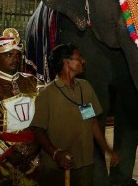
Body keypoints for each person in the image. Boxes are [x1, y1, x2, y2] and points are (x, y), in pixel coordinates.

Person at [30, 43, 119, 185]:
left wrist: (107, 149)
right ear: (67, 62)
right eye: (79, 58)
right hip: (57, 168)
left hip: (85, 164)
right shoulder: (47, 94)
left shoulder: (85, 87)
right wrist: (55, 154)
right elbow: (37, 130)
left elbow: (92, 122)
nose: (83, 61)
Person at [0, 28, 44, 185]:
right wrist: (7, 153)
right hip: (1, 163)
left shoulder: (34, 82)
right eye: (9, 55)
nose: (15, 59)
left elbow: (45, 116)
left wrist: (38, 145)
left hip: (33, 158)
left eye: (18, 55)